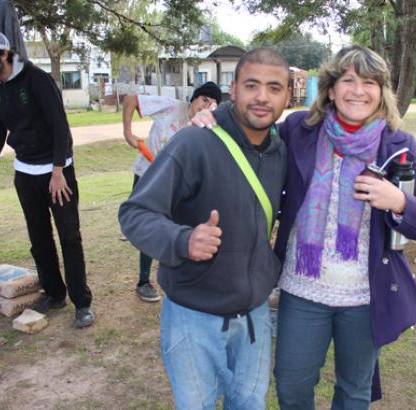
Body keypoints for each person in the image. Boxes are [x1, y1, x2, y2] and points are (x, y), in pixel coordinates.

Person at [190, 45, 416, 409]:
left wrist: (399, 201)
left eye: (370, 82)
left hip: (363, 296)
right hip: (303, 289)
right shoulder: (300, 130)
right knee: (292, 385)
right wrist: (214, 118)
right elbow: (250, 131)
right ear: (330, 88)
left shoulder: (398, 145)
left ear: (382, 91)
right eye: (349, 80)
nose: (359, 90)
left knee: (354, 391)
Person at [118, 48, 290, 409]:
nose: (262, 97)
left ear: (288, 95)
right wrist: (183, 240)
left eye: (274, 88)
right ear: (234, 89)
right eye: (252, 85)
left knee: (249, 404)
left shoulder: (281, 150)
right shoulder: (195, 142)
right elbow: (135, 213)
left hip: (255, 314)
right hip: (193, 315)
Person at [0, 29, 94, 328]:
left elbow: (61, 128)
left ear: (3, 54)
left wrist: (58, 172)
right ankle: (54, 294)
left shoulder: (37, 80)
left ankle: (81, 302)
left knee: (69, 237)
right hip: (26, 173)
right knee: (39, 238)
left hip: (58, 173)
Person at [121, 81, 222, 302]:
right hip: (147, 173)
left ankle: (178, 279)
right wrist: (128, 133)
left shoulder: (207, 125)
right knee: (146, 225)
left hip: (177, 184)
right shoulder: (170, 107)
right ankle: (144, 281)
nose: (207, 107)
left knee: (175, 229)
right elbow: (131, 100)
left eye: (214, 103)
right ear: (194, 98)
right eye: (205, 100)